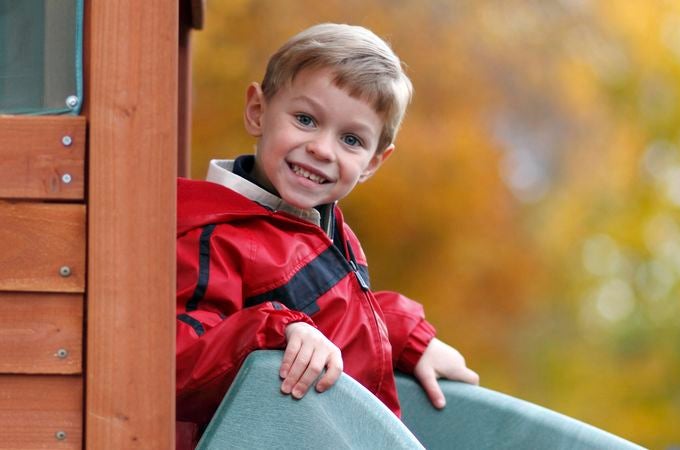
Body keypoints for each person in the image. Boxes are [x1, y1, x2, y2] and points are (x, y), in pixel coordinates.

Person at [175, 23, 479, 449]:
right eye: (305, 119)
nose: (322, 148)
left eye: (351, 140)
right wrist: (277, 331)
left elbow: (337, 313)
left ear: (373, 163)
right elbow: (176, 359)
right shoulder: (214, 235)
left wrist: (406, 336)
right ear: (258, 111)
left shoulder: (322, 226)